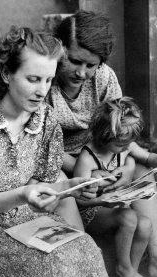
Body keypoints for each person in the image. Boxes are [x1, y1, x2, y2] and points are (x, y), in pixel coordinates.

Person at [0, 26, 110, 277]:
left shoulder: (46, 120)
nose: (42, 91)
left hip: (26, 220)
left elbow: (39, 184)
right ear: (7, 74)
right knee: (49, 268)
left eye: (49, 80)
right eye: (33, 79)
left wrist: (69, 186)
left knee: (87, 250)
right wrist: (25, 194)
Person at [46, 9, 135, 189]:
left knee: (144, 197)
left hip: (104, 155)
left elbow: (120, 128)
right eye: (74, 61)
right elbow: (41, 145)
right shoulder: (45, 81)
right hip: (59, 161)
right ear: (59, 50)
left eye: (91, 65)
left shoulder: (104, 77)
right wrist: (87, 170)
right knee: (125, 218)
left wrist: (127, 166)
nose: (81, 73)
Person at [74, 97, 157, 277]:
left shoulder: (125, 145)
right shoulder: (88, 157)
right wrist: (102, 200)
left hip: (116, 206)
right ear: (103, 136)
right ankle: (124, 268)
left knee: (145, 224)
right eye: (121, 145)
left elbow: (148, 158)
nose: (127, 148)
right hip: (93, 210)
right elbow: (78, 198)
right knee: (128, 217)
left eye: (129, 143)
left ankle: (130, 271)